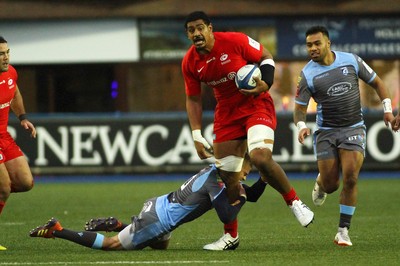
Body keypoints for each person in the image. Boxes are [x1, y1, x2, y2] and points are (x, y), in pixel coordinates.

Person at [181, 11, 314, 249]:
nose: (196, 33)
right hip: (227, 115)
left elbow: (266, 56)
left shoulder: (234, 41)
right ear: (188, 34)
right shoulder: (190, 62)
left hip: (255, 104)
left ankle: (294, 202)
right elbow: (193, 99)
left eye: (200, 28)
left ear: (210, 28)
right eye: (191, 30)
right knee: (228, 178)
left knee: (260, 156)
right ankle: (231, 236)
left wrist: (267, 82)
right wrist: (196, 134)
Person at [294, 25, 395, 247]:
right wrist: (301, 125)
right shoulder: (307, 75)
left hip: (353, 128)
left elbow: (377, 83)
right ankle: (321, 182)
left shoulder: (351, 60)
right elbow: (299, 108)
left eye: (317, 43)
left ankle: (343, 231)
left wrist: (387, 109)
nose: (312, 48)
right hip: (326, 132)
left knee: (351, 176)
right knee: (332, 185)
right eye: (309, 45)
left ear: (328, 43)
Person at [29, 161, 267, 251]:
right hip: (159, 220)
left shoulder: (216, 173)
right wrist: (242, 198)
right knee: (112, 246)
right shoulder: (217, 182)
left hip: (161, 205)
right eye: (247, 167)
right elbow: (227, 216)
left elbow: (251, 194)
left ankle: (119, 225)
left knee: (160, 247)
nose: (247, 172)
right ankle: (58, 230)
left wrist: (266, 178)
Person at [0, 36, 36, 251]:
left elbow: (14, 92)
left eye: (7, 52)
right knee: (3, 188)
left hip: (3, 136)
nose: (6, 58)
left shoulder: (10, 72)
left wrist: (22, 117)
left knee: (24, 182)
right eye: (1, 54)